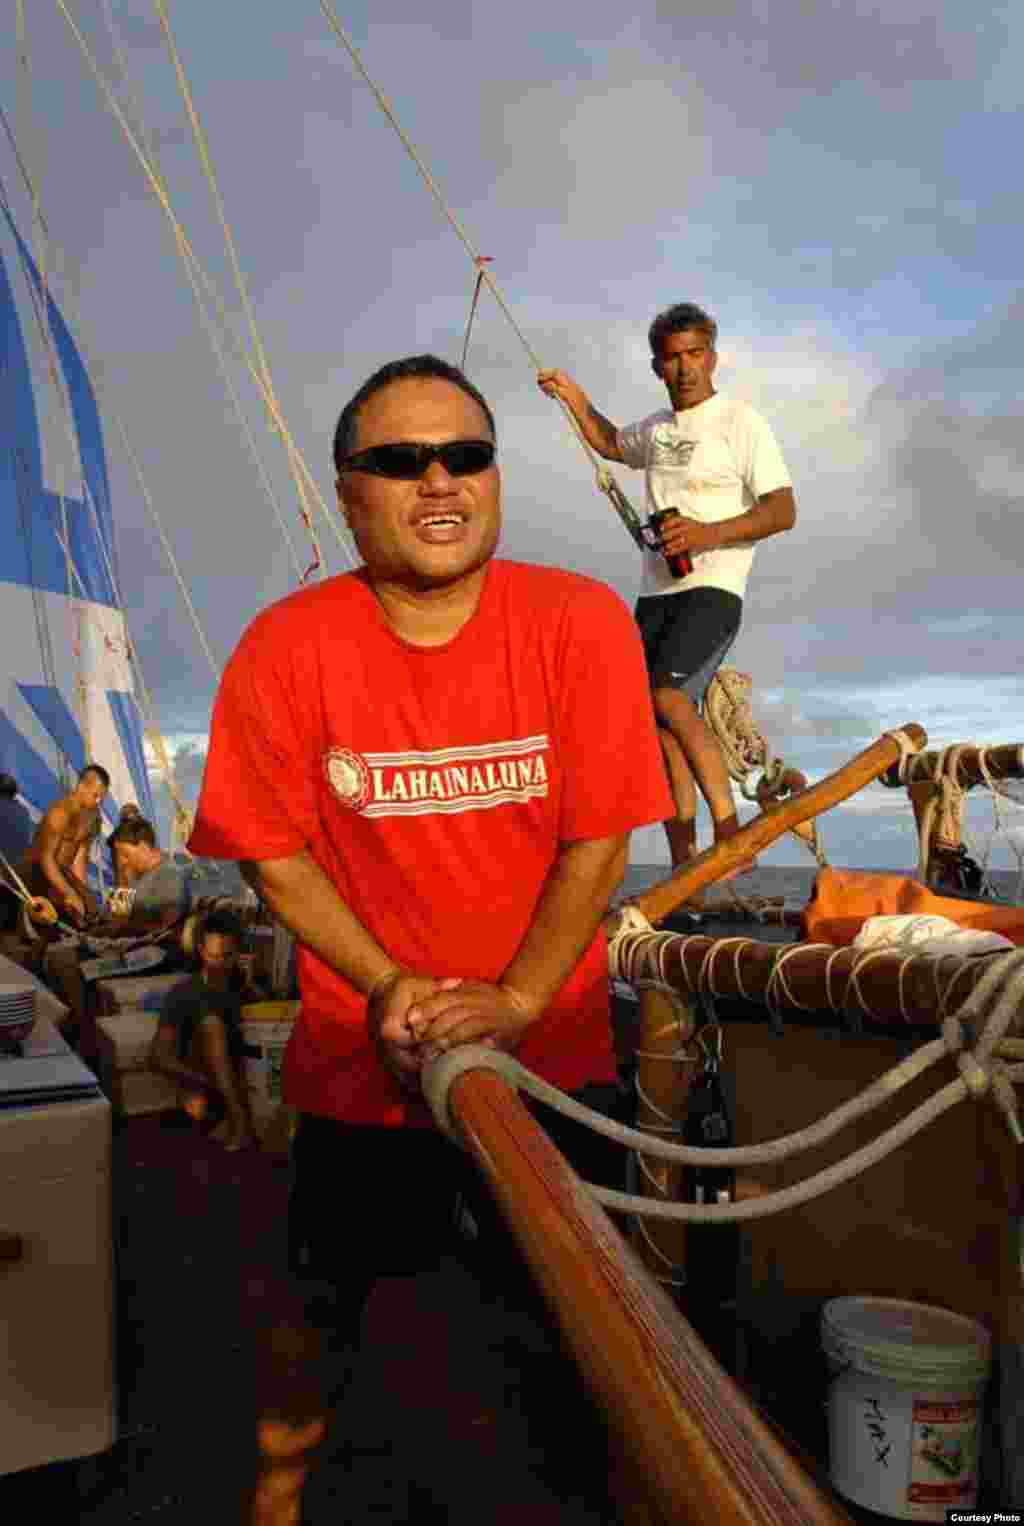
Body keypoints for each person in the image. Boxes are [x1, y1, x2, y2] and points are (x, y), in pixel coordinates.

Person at [186, 354, 673, 1360]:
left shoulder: (581, 622)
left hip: (555, 1065)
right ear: (346, 494)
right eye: (402, 459)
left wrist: (522, 1000)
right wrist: (389, 985)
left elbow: (597, 841)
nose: (439, 478)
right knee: (336, 1345)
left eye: (465, 454)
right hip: (363, 1072)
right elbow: (272, 859)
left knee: (578, 1353)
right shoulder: (282, 649)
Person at [538, 303, 797, 870]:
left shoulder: (741, 422)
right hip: (656, 594)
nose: (686, 367)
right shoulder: (656, 430)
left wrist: (707, 533)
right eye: (673, 357)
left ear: (714, 357)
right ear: (658, 366)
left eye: (695, 354)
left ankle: (731, 835)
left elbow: (782, 510)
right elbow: (609, 442)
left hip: (715, 588)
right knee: (654, 723)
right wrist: (573, 396)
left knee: (669, 697)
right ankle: (686, 866)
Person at [150, 909, 259, 1152]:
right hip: (206, 1078)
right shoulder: (184, 992)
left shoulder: (246, 987)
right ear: (201, 951)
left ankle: (236, 1120)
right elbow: (159, 1055)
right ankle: (237, 1118)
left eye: (228, 956)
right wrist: (199, 1080)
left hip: (245, 1075)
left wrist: (251, 988)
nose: (220, 964)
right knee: (212, 1025)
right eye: (214, 956)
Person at [20, 763, 110, 924]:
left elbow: (79, 862)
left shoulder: (91, 818)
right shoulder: (60, 812)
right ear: (82, 787)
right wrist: (69, 893)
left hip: (61, 874)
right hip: (37, 872)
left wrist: (82, 895)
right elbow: (46, 858)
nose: (98, 802)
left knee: (90, 910)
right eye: (96, 796)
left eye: (101, 798)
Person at [106, 815, 192, 932]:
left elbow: (169, 928)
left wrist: (127, 926)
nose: (122, 862)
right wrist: (122, 875)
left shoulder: (169, 875)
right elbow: (117, 917)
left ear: (143, 847)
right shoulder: (134, 876)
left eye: (125, 854)